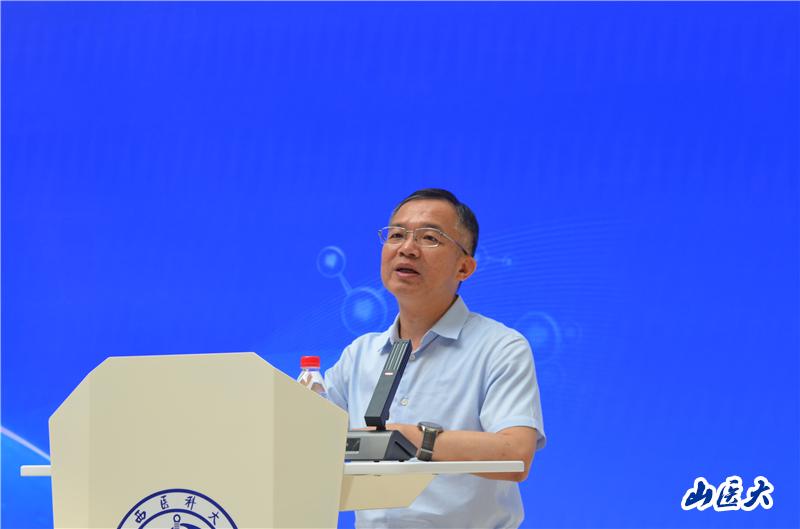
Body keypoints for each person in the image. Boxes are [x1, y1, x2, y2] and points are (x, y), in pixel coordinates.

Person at [325, 188, 546, 528]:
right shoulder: (360, 355)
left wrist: (412, 439)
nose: (407, 248)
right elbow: (303, 438)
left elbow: (515, 454)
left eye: (429, 238)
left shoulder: (500, 347)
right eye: (396, 235)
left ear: (464, 267)